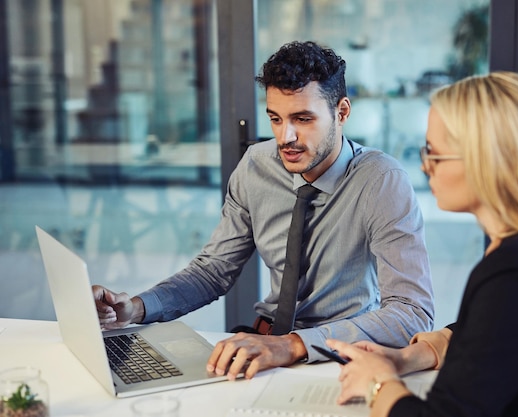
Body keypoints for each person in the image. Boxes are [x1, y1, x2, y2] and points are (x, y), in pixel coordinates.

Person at [92, 40, 434, 380]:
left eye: (302, 119)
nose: (285, 137)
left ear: (341, 112)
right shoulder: (256, 166)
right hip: (263, 344)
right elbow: (212, 271)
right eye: (275, 118)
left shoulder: (382, 181)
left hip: (340, 357)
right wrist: (135, 308)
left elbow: (411, 312)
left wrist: (294, 344)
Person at [327, 72, 518, 417]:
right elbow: (504, 333)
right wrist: (407, 358)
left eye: (435, 154)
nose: (426, 168)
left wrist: (378, 383)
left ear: (487, 160)